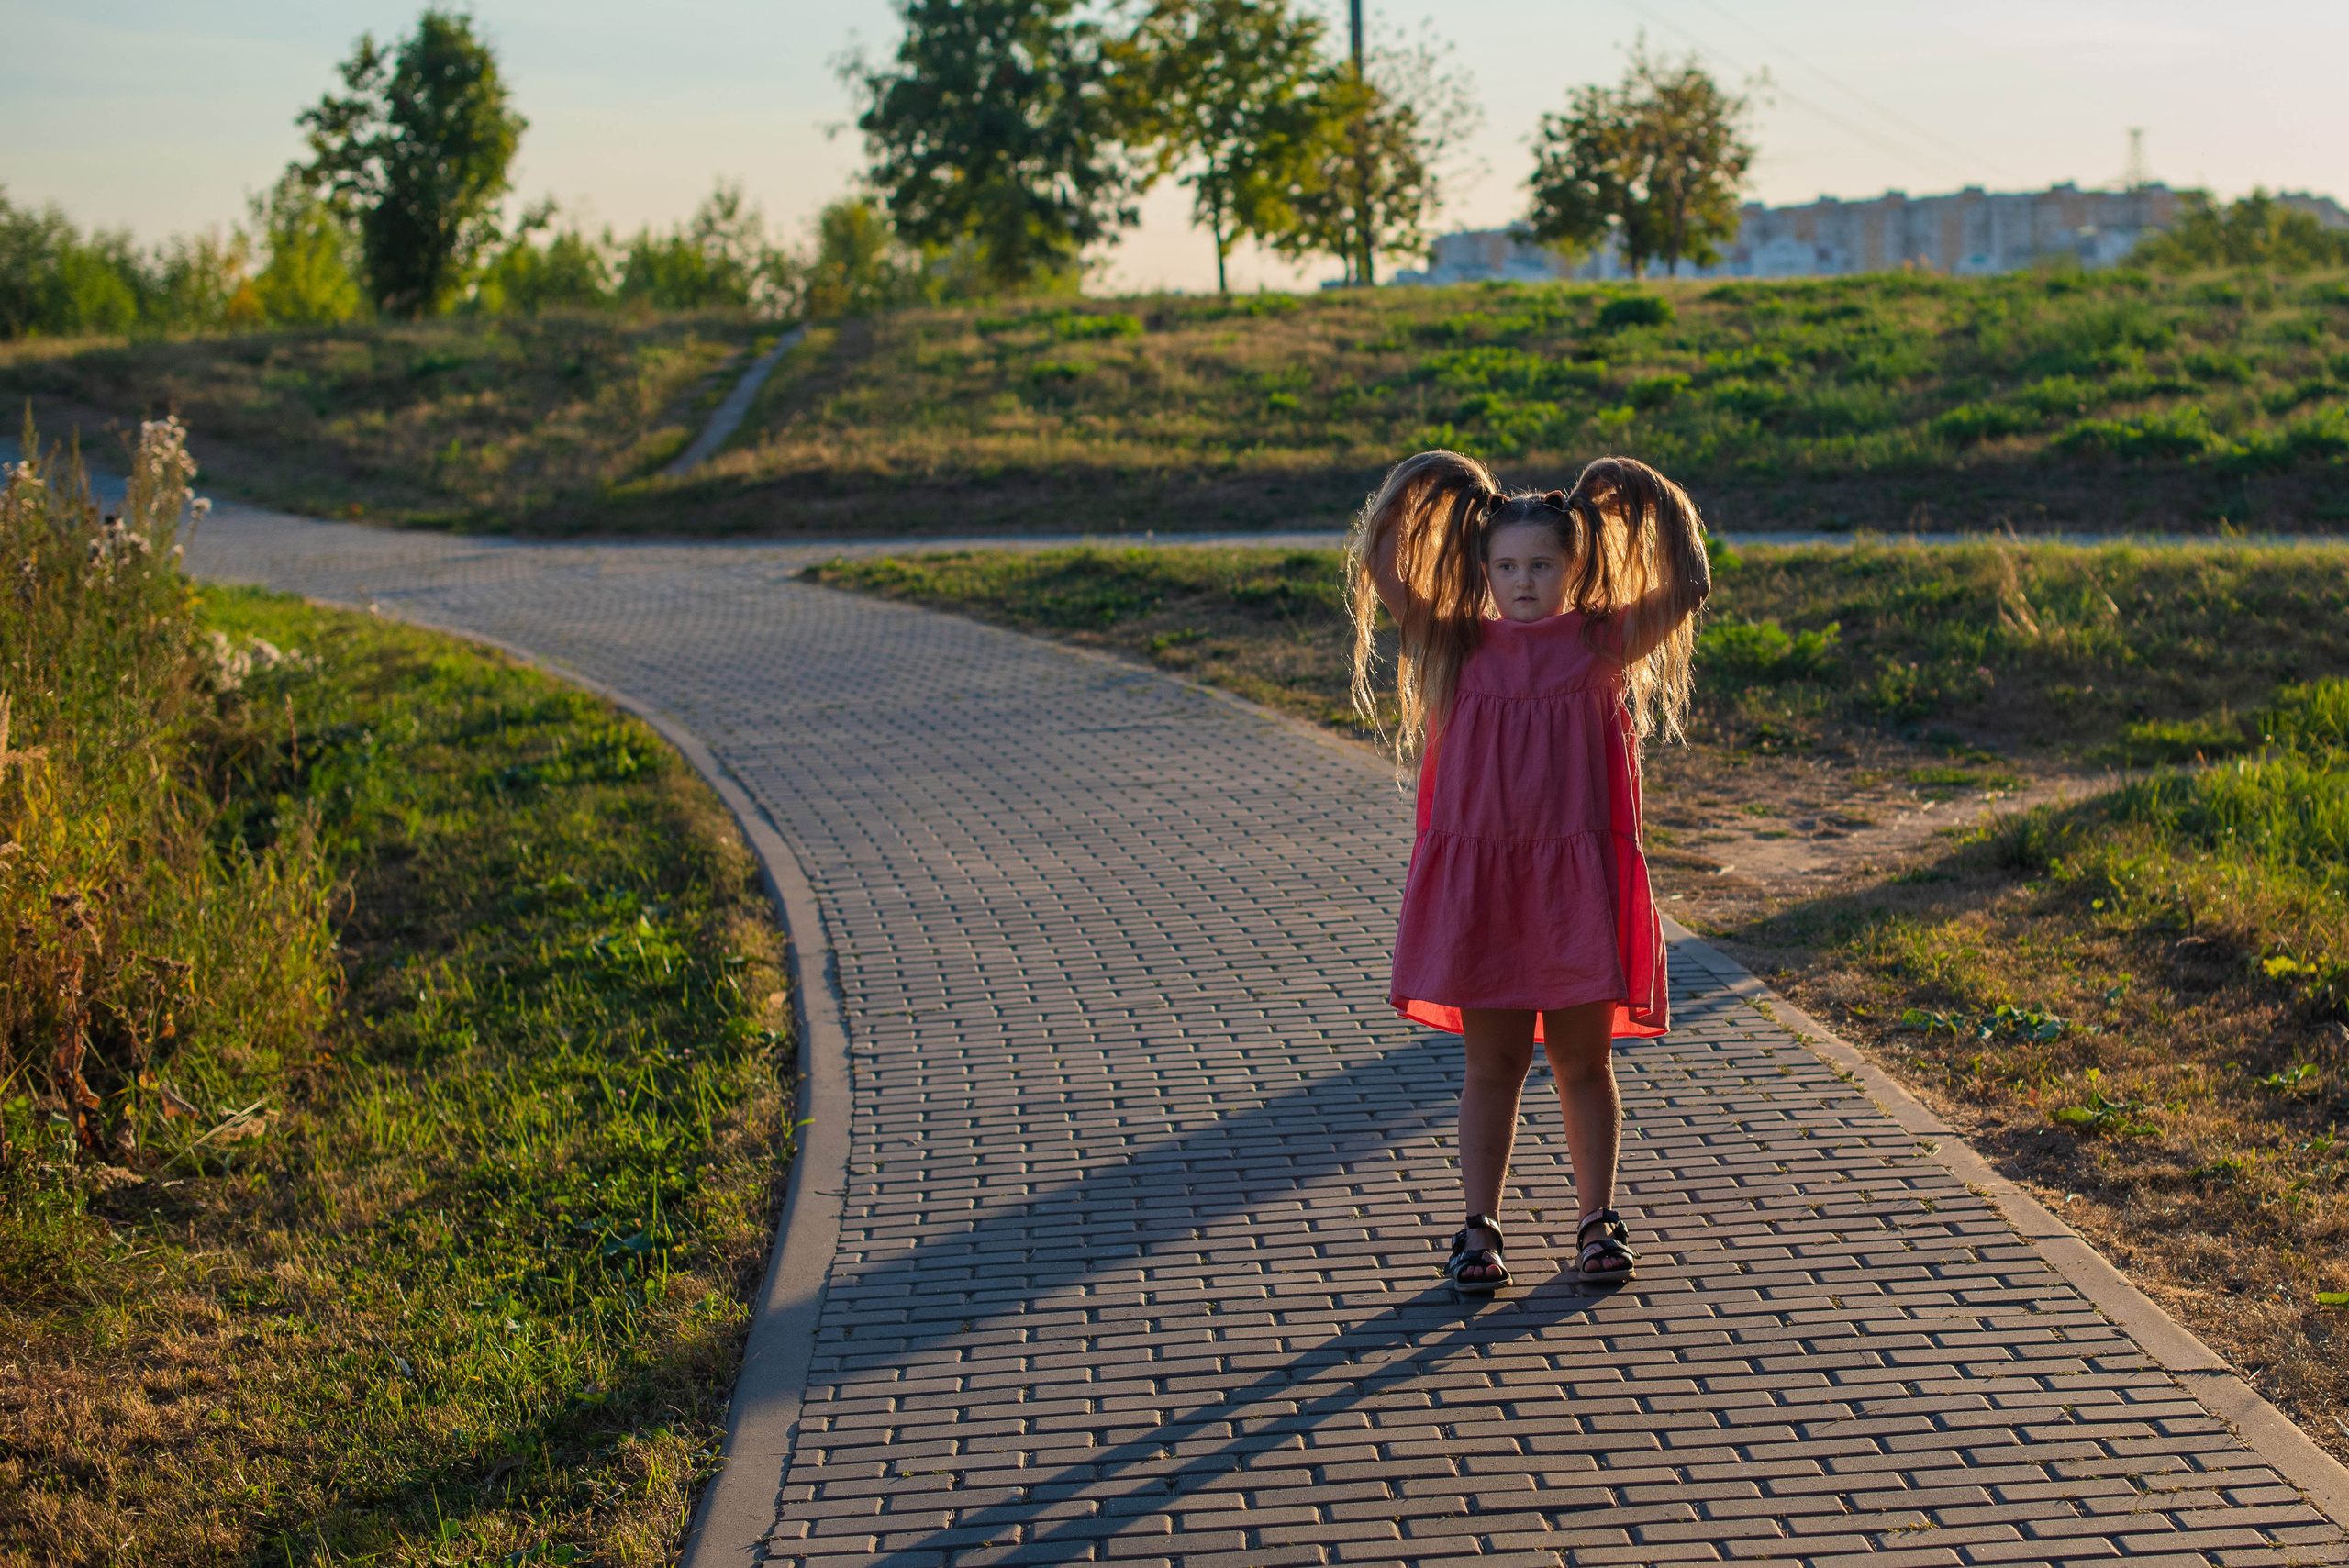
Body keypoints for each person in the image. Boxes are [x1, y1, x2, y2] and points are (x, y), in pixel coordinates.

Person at [1347, 450, 1711, 1293]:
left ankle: (1597, 1221)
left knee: (1585, 1063)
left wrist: (1644, 491)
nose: (1523, 580)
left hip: (1576, 888)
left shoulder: (1601, 641)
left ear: (1574, 567)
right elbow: (1379, 561)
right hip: (1486, 890)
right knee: (1493, 1066)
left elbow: (1690, 583)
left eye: (1543, 565)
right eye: (1507, 566)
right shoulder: (1454, 642)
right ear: (1482, 568)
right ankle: (1478, 1230)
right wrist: (1425, 479)